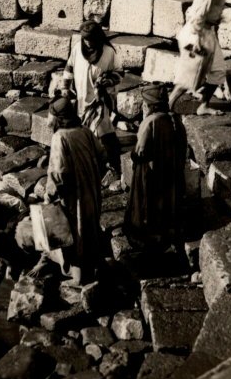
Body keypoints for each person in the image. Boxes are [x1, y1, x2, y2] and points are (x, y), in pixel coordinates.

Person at [28, 97, 106, 285]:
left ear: (58, 117)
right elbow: (102, 155)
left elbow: (58, 172)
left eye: (51, 115)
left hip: (73, 196)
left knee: (74, 231)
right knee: (89, 228)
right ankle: (92, 267)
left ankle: (77, 277)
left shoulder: (59, 137)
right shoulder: (85, 131)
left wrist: (50, 195)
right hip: (91, 190)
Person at [124, 84, 188, 251]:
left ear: (149, 105)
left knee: (149, 207)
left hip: (155, 175)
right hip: (173, 173)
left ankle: (151, 240)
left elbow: (141, 152)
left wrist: (133, 156)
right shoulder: (175, 119)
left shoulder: (150, 122)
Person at [62, 21, 123, 174]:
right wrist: (65, 87)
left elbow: (120, 73)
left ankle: (115, 164)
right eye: (85, 39)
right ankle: (87, 162)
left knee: (104, 130)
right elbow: (68, 68)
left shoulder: (109, 52)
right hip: (81, 99)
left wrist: (108, 80)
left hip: (100, 101)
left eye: (90, 39)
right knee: (83, 130)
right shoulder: (77, 49)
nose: (88, 42)